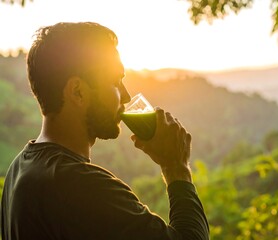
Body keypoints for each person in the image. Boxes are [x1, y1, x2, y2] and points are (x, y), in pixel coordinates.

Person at [0, 22, 209, 240]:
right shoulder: (83, 186)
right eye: (115, 82)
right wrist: (176, 167)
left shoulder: (20, 169)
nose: (126, 96)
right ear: (78, 91)